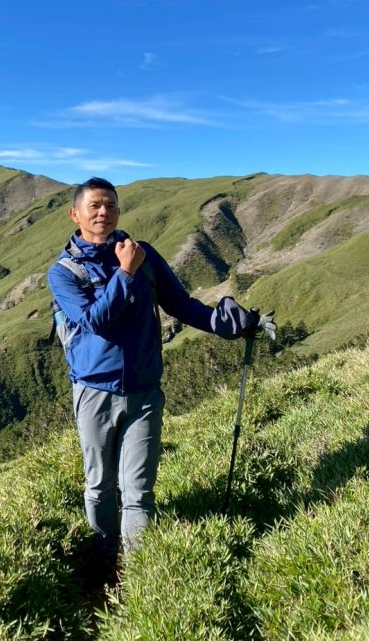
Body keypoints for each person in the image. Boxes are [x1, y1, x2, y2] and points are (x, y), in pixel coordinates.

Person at [47, 177, 274, 570]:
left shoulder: (143, 254)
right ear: (76, 214)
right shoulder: (63, 273)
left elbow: (180, 305)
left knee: (138, 490)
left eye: (112, 206)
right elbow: (94, 321)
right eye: (95, 206)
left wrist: (228, 322)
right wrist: (125, 272)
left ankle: (137, 569)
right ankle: (105, 549)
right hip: (94, 391)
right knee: (100, 485)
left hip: (144, 391)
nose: (104, 213)